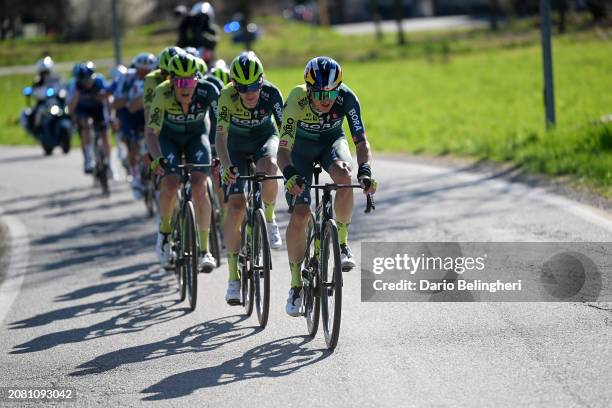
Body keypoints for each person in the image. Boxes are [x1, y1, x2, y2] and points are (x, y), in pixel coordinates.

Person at [277, 56, 378, 316]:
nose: (326, 98)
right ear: (309, 89)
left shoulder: (347, 98)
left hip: (331, 143)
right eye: (320, 92)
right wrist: (289, 174)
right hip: (299, 150)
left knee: (345, 175)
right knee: (300, 213)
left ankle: (342, 243)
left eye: (332, 91)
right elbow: (283, 150)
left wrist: (365, 170)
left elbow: (361, 142)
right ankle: (296, 284)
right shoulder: (296, 100)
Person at [215, 51, 284, 305]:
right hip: (235, 145)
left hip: (264, 139)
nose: (249, 92)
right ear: (234, 85)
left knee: (270, 165)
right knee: (235, 207)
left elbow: (287, 130)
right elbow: (220, 137)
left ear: (262, 80)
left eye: (254, 85)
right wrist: (226, 166)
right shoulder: (225, 96)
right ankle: (233, 279)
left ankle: (270, 218)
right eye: (243, 87)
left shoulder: (272, 94)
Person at [146, 53, 220, 272]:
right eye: (179, 82)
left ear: (197, 79)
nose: (184, 87)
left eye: (189, 81)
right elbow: (151, 133)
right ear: (171, 81)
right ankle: (165, 233)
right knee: (170, 182)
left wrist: (220, 156)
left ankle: (204, 250)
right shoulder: (162, 93)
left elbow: (221, 127)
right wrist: (156, 157)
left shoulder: (209, 91)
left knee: (200, 186)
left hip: (197, 137)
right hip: (168, 139)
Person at [68, 61, 111, 174]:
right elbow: (71, 107)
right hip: (82, 109)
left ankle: (109, 163)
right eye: (83, 81)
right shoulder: (74, 85)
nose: (86, 83)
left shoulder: (99, 81)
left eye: (88, 80)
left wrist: (110, 116)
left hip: (98, 108)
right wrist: (73, 119)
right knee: (85, 125)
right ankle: (88, 158)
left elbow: (108, 100)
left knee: (104, 133)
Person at [26, 56, 64, 138]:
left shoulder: (56, 79)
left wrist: (62, 92)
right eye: (43, 72)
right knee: (35, 112)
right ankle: (35, 128)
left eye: (46, 72)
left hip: (53, 102)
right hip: (42, 103)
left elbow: (62, 87)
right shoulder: (37, 82)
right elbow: (34, 91)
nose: (45, 74)